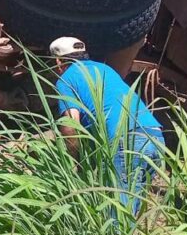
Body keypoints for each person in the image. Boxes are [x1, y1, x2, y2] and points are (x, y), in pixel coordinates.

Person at [50, 36, 164, 219]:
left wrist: (74, 162)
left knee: (117, 218)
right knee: (129, 212)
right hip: (154, 135)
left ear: (58, 62)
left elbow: (71, 125)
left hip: (126, 141)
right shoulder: (105, 69)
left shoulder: (67, 78)